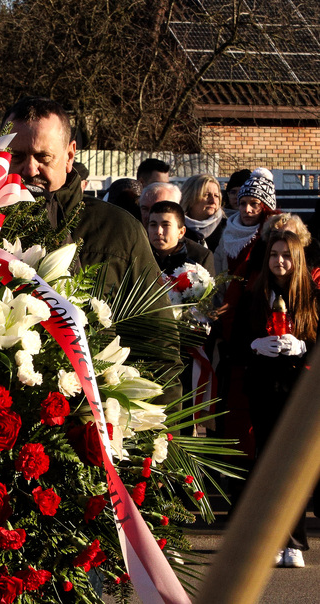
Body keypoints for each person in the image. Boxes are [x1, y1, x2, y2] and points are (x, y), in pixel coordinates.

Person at [2, 96, 183, 405]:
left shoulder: (118, 231)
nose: (29, 168)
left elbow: (158, 348)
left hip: (95, 427)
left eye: (43, 156)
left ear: (70, 155)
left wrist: (163, 439)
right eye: (16, 156)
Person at [232, 230, 318, 569]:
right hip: (264, 390)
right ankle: (267, 539)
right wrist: (255, 346)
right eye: (273, 255)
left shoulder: (312, 297)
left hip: (301, 391)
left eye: (286, 255)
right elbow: (236, 343)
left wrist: (303, 347)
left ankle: (294, 541)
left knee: (293, 467)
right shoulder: (254, 295)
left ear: (297, 260)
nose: (279, 261)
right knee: (266, 465)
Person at [214, 168, 278, 279]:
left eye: (254, 204)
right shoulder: (228, 234)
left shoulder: (276, 235)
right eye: (243, 203)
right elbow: (217, 278)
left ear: (266, 207)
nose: (247, 209)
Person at [147, 200, 215, 276]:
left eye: (166, 225)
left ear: (181, 232)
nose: (158, 231)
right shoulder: (139, 253)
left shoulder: (199, 257)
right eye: (153, 225)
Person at [180, 174, 225, 252]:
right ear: (189, 198)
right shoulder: (177, 228)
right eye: (206, 195)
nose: (213, 201)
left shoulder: (227, 229)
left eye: (216, 196)